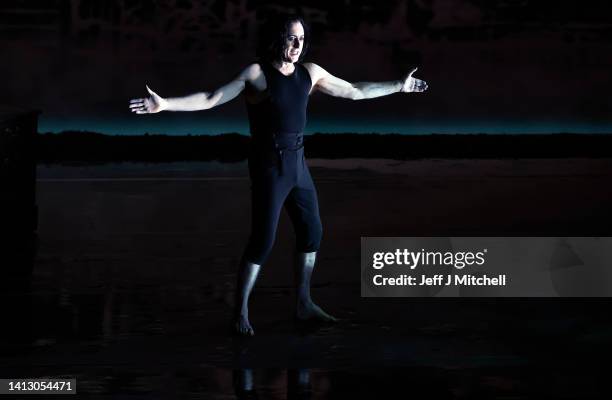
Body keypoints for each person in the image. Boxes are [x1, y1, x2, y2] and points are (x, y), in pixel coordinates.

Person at [129, 15, 428, 336]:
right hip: (269, 165)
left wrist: (400, 85)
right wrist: (165, 105)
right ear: (277, 40)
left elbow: (355, 91)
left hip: (298, 164)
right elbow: (210, 98)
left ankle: (303, 303)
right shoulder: (256, 74)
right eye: (291, 38)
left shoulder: (310, 73)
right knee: (263, 240)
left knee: (312, 230)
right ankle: (240, 312)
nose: (298, 45)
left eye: (302, 39)